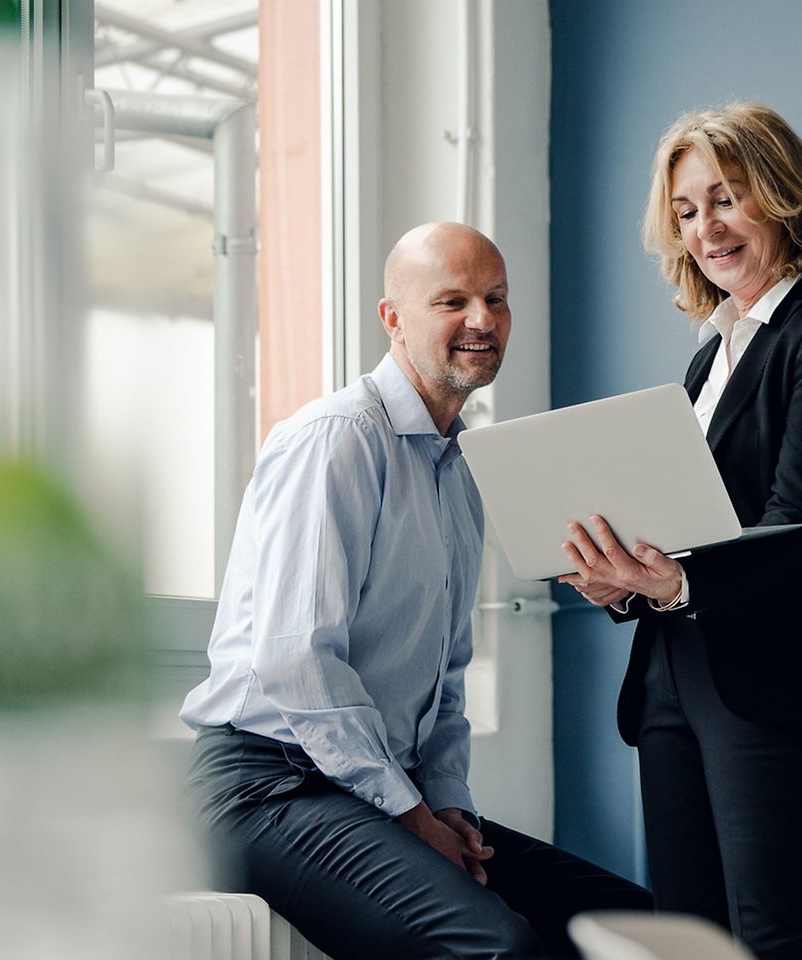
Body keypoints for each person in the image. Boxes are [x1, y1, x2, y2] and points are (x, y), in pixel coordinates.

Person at [181, 222, 649, 960]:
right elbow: (296, 664)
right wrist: (408, 813)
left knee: (632, 923)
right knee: (497, 949)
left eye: (496, 299)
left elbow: (445, 683)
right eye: (452, 300)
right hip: (266, 785)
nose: (482, 320)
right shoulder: (337, 439)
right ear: (392, 318)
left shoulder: (457, 473)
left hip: (375, 789)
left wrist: (450, 807)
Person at [558, 103, 802, 960]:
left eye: (725, 198)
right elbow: (691, 531)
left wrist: (673, 583)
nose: (705, 228)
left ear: (780, 198)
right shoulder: (711, 356)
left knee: (769, 940)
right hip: (674, 674)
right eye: (685, 211)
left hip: (776, 676)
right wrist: (622, 581)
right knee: (684, 942)